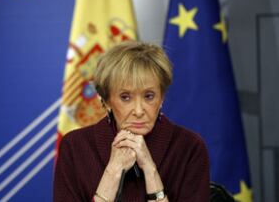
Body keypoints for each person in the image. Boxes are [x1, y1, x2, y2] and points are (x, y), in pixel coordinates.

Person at [54, 41, 210, 202]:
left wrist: (151, 172)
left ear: (161, 97)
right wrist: (112, 173)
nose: (138, 111)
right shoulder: (75, 146)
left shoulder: (189, 147)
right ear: (106, 101)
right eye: (125, 97)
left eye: (149, 96)